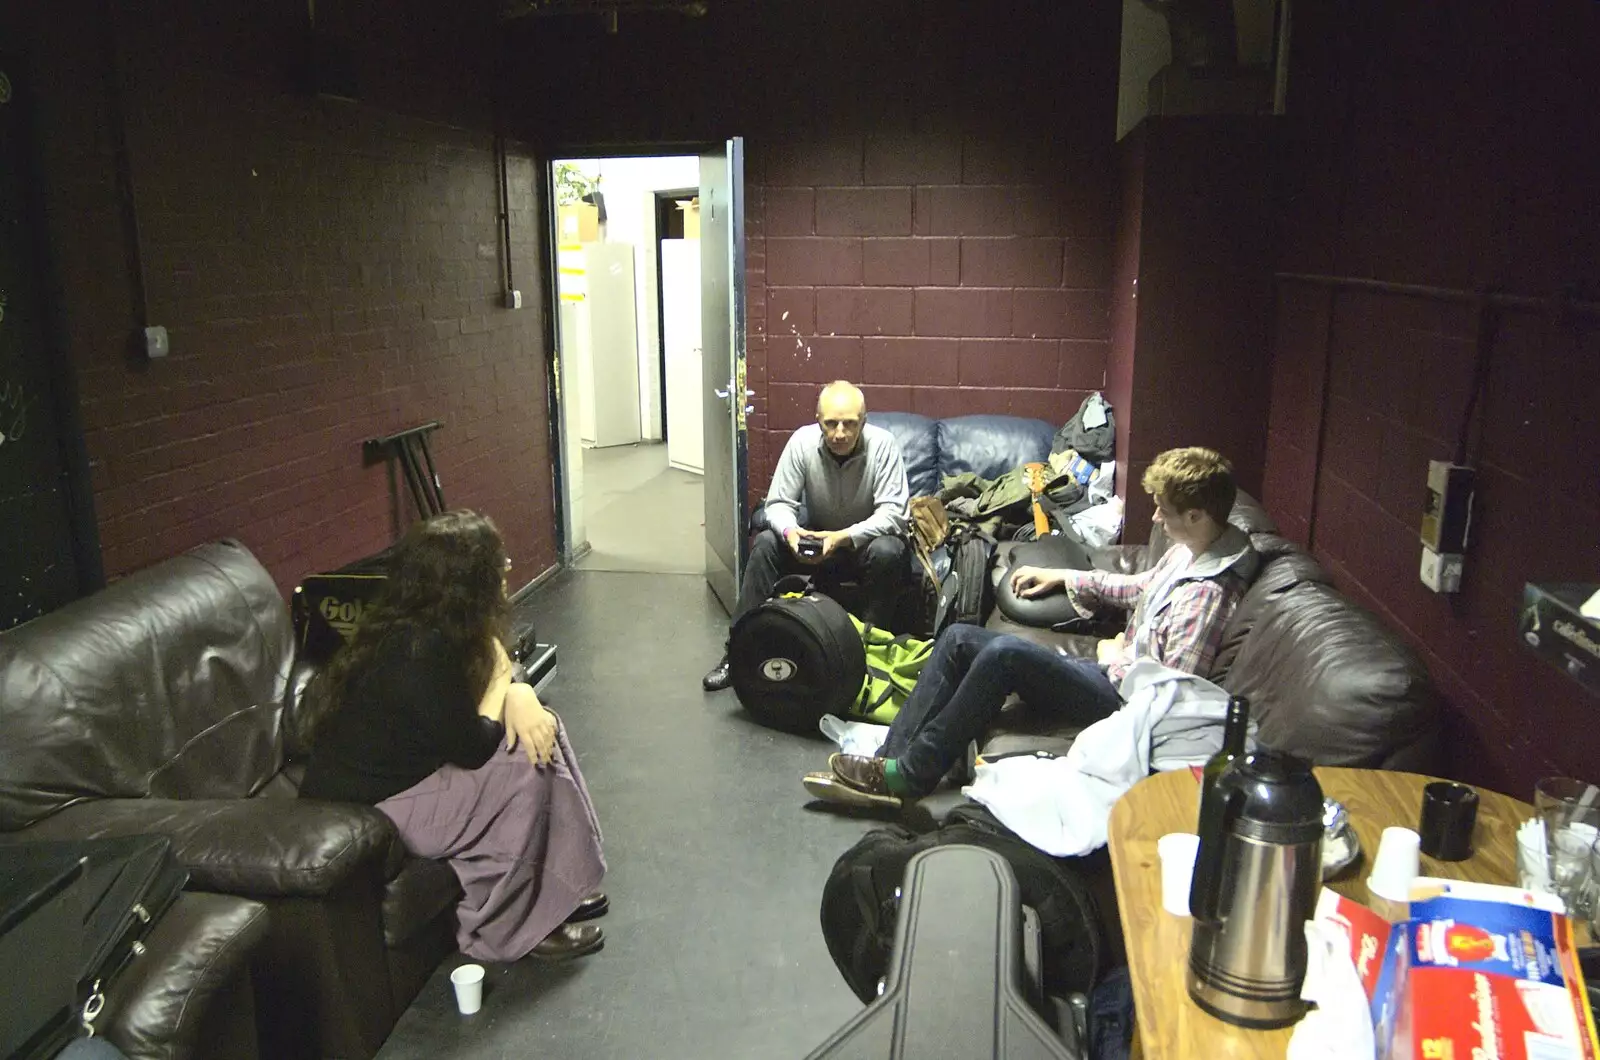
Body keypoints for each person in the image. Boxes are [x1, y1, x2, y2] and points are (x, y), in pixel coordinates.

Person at [802, 447, 1259, 810]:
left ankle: (910, 776)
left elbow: (1168, 692)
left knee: (1005, 656)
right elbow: (1142, 584)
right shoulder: (1190, 549)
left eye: (1163, 510)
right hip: (1116, 669)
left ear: (1196, 516)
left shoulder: (1208, 595)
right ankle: (886, 762)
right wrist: (1067, 578)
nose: (1156, 518)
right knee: (960, 639)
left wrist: (1116, 656)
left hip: (1122, 701)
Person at [299, 510, 608, 962]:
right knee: (524, 759)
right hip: (373, 808)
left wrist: (519, 692)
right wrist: (510, 683)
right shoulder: (417, 652)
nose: (506, 575)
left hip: (413, 779)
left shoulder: (441, 627)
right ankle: (506, 932)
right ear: (468, 584)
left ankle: (557, 890)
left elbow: (488, 692)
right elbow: (474, 747)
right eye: (496, 569)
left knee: (543, 727)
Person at [702, 380, 910, 691]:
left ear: (863, 422)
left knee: (890, 550)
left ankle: (867, 653)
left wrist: (842, 537)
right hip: (814, 541)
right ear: (818, 420)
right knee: (766, 543)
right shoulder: (802, 442)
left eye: (849, 424)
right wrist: (790, 533)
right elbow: (778, 504)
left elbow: (894, 514)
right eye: (831, 423)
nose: (839, 433)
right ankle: (737, 654)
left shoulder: (884, 445)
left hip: (860, 543)